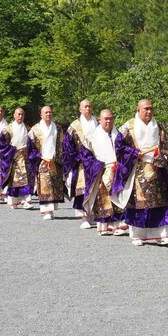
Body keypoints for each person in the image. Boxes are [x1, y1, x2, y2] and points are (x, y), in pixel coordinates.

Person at [112, 99, 168, 246]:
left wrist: (162, 156)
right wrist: (134, 153)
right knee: (139, 203)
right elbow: (119, 147)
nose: (149, 112)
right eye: (145, 109)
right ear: (138, 110)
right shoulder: (128, 127)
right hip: (137, 170)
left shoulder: (159, 127)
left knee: (160, 202)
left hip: (156, 169)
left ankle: (163, 234)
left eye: (151, 109)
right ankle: (138, 234)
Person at [83, 109, 126, 236]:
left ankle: (119, 225)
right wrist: (97, 165)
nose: (108, 121)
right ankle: (104, 226)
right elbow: (85, 156)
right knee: (103, 199)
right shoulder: (91, 137)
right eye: (105, 119)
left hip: (117, 170)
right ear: (99, 120)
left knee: (118, 197)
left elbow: (124, 151)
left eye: (111, 118)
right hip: (101, 170)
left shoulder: (119, 135)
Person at [27, 105, 67, 220]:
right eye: (46, 113)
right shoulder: (35, 129)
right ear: (41, 115)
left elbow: (61, 145)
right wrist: (39, 157)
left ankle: (52, 208)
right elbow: (31, 148)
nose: (48, 114)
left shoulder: (58, 129)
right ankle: (46, 210)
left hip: (55, 160)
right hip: (42, 160)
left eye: (50, 112)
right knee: (45, 184)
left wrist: (58, 158)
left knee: (54, 184)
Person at [63, 99, 99, 229]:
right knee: (82, 189)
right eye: (85, 107)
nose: (88, 109)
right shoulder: (74, 126)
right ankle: (84, 217)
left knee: (95, 189)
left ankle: (93, 215)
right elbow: (68, 147)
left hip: (96, 161)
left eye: (90, 106)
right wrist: (78, 157)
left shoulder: (98, 123)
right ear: (80, 109)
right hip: (81, 163)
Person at [4, 108, 34, 208]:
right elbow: (2, 144)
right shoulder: (7, 129)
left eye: (22, 114)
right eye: (18, 114)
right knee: (15, 180)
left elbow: (33, 143)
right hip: (13, 157)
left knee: (26, 179)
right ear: (14, 115)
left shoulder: (28, 129)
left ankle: (27, 200)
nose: (20, 116)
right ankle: (14, 201)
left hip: (25, 158)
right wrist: (12, 150)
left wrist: (28, 149)